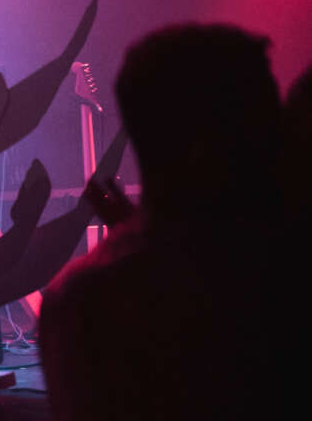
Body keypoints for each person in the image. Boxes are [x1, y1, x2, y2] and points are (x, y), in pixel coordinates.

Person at [39, 24, 287, 421]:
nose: (283, 137)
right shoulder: (274, 277)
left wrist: (138, 237)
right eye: (269, 120)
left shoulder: (79, 298)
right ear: (207, 145)